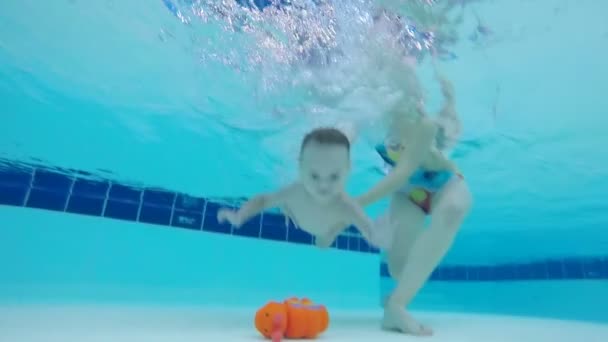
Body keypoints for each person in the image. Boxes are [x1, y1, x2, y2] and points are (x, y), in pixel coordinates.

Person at [356, 65, 472, 336]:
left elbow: (401, 173)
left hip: (447, 184)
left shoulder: (427, 126)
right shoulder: (376, 124)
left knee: (454, 210)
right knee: (398, 270)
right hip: (407, 195)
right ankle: (397, 294)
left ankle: (396, 307)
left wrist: (451, 102)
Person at [217, 127, 373, 248]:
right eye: (314, 176)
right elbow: (264, 200)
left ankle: (348, 135)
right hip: (303, 213)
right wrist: (240, 216)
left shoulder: (347, 206)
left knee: (322, 244)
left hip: (328, 229)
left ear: (348, 171)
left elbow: (369, 229)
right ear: (300, 169)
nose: (323, 185)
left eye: (334, 177)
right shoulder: (295, 191)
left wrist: (379, 235)